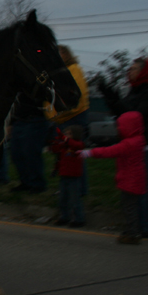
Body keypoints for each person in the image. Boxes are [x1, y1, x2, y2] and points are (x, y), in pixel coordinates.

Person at [99, 56, 148, 238]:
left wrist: (115, 99)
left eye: (134, 69)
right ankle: (138, 225)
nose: (129, 71)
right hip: (134, 147)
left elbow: (133, 116)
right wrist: (109, 97)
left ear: (144, 71)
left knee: (145, 187)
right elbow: (122, 114)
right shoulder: (133, 91)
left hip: (147, 146)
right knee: (134, 187)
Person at [81, 111, 147, 244]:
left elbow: (111, 151)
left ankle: (133, 233)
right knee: (132, 206)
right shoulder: (139, 140)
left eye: (120, 126)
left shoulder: (129, 143)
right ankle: (132, 230)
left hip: (131, 180)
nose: (118, 129)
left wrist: (90, 152)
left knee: (129, 207)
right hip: (135, 179)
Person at [43, 45, 90, 195]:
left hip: (74, 118)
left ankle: (79, 189)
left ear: (65, 55)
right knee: (64, 156)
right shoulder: (55, 74)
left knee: (74, 155)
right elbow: (49, 98)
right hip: (63, 119)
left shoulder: (74, 70)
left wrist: (55, 113)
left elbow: (74, 97)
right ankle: (68, 189)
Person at [9, 93, 49, 194]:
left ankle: (37, 184)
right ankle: (25, 182)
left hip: (34, 119)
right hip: (18, 120)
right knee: (16, 153)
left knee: (31, 152)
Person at [49, 125, 86, 227]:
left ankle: (79, 219)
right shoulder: (64, 147)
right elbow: (57, 156)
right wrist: (55, 169)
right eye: (66, 134)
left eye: (69, 134)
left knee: (75, 199)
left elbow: (76, 145)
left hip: (74, 176)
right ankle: (64, 217)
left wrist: (64, 139)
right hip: (64, 176)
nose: (66, 136)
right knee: (63, 198)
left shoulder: (79, 145)